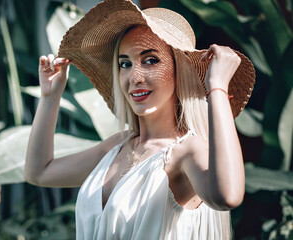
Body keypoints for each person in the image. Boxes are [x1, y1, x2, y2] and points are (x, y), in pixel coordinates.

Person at [25, 0, 255, 239]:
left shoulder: (188, 151)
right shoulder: (116, 147)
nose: (134, 77)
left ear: (179, 70)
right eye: (125, 64)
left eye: (150, 60)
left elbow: (228, 196)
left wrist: (216, 88)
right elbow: (39, 173)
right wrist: (50, 98)